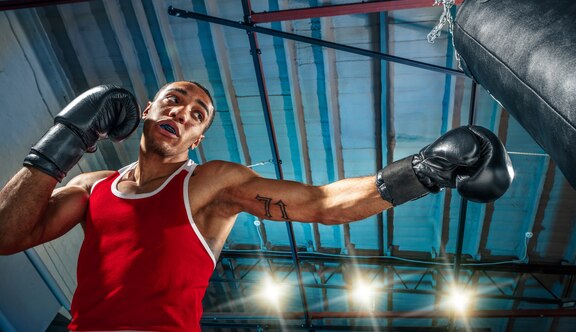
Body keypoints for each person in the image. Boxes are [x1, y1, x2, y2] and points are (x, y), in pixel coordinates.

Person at [0, 81, 513, 331]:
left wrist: (424, 169)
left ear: (198, 138)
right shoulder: (93, 187)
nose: (182, 113)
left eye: (197, 114)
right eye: (174, 100)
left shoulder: (210, 184)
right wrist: (67, 136)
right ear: (147, 110)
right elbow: (8, 236)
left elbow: (322, 203)